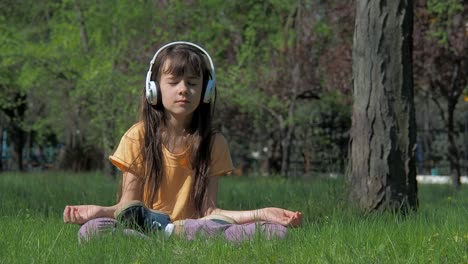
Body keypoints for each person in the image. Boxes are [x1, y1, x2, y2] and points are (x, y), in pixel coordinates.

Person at [63, 41, 302, 242]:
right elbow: (128, 209)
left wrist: (263, 214)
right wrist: (99, 211)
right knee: (91, 231)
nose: (183, 89)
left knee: (275, 233)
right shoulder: (137, 137)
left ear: (206, 91)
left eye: (192, 83)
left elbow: (210, 212)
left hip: (197, 229)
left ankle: (168, 234)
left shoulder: (214, 143)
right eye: (174, 81)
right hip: (143, 227)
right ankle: (162, 234)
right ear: (153, 88)